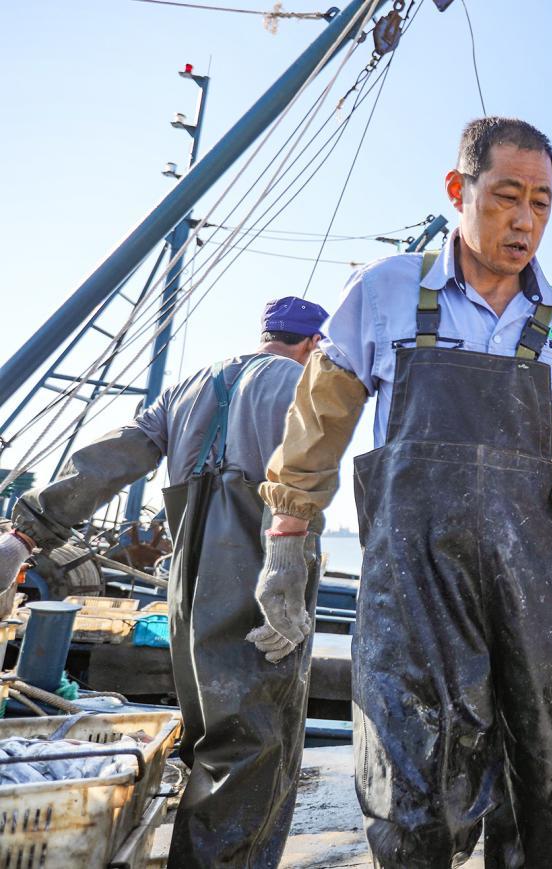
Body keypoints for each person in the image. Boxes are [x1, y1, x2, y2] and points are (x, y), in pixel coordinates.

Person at [257, 117, 552, 868]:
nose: (524, 220)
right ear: (458, 190)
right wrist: (286, 544)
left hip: (531, 590)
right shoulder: (385, 292)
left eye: (540, 202)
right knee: (411, 786)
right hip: (412, 582)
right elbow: (321, 419)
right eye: (504, 196)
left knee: (549, 777)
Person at [0, 296, 328, 867]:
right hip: (260, 573)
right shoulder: (304, 386)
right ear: (314, 343)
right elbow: (304, 487)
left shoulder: (192, 385)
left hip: (189, 581)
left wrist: (27, 532)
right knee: (257, 742)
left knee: (207, 733)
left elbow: (115, 457)